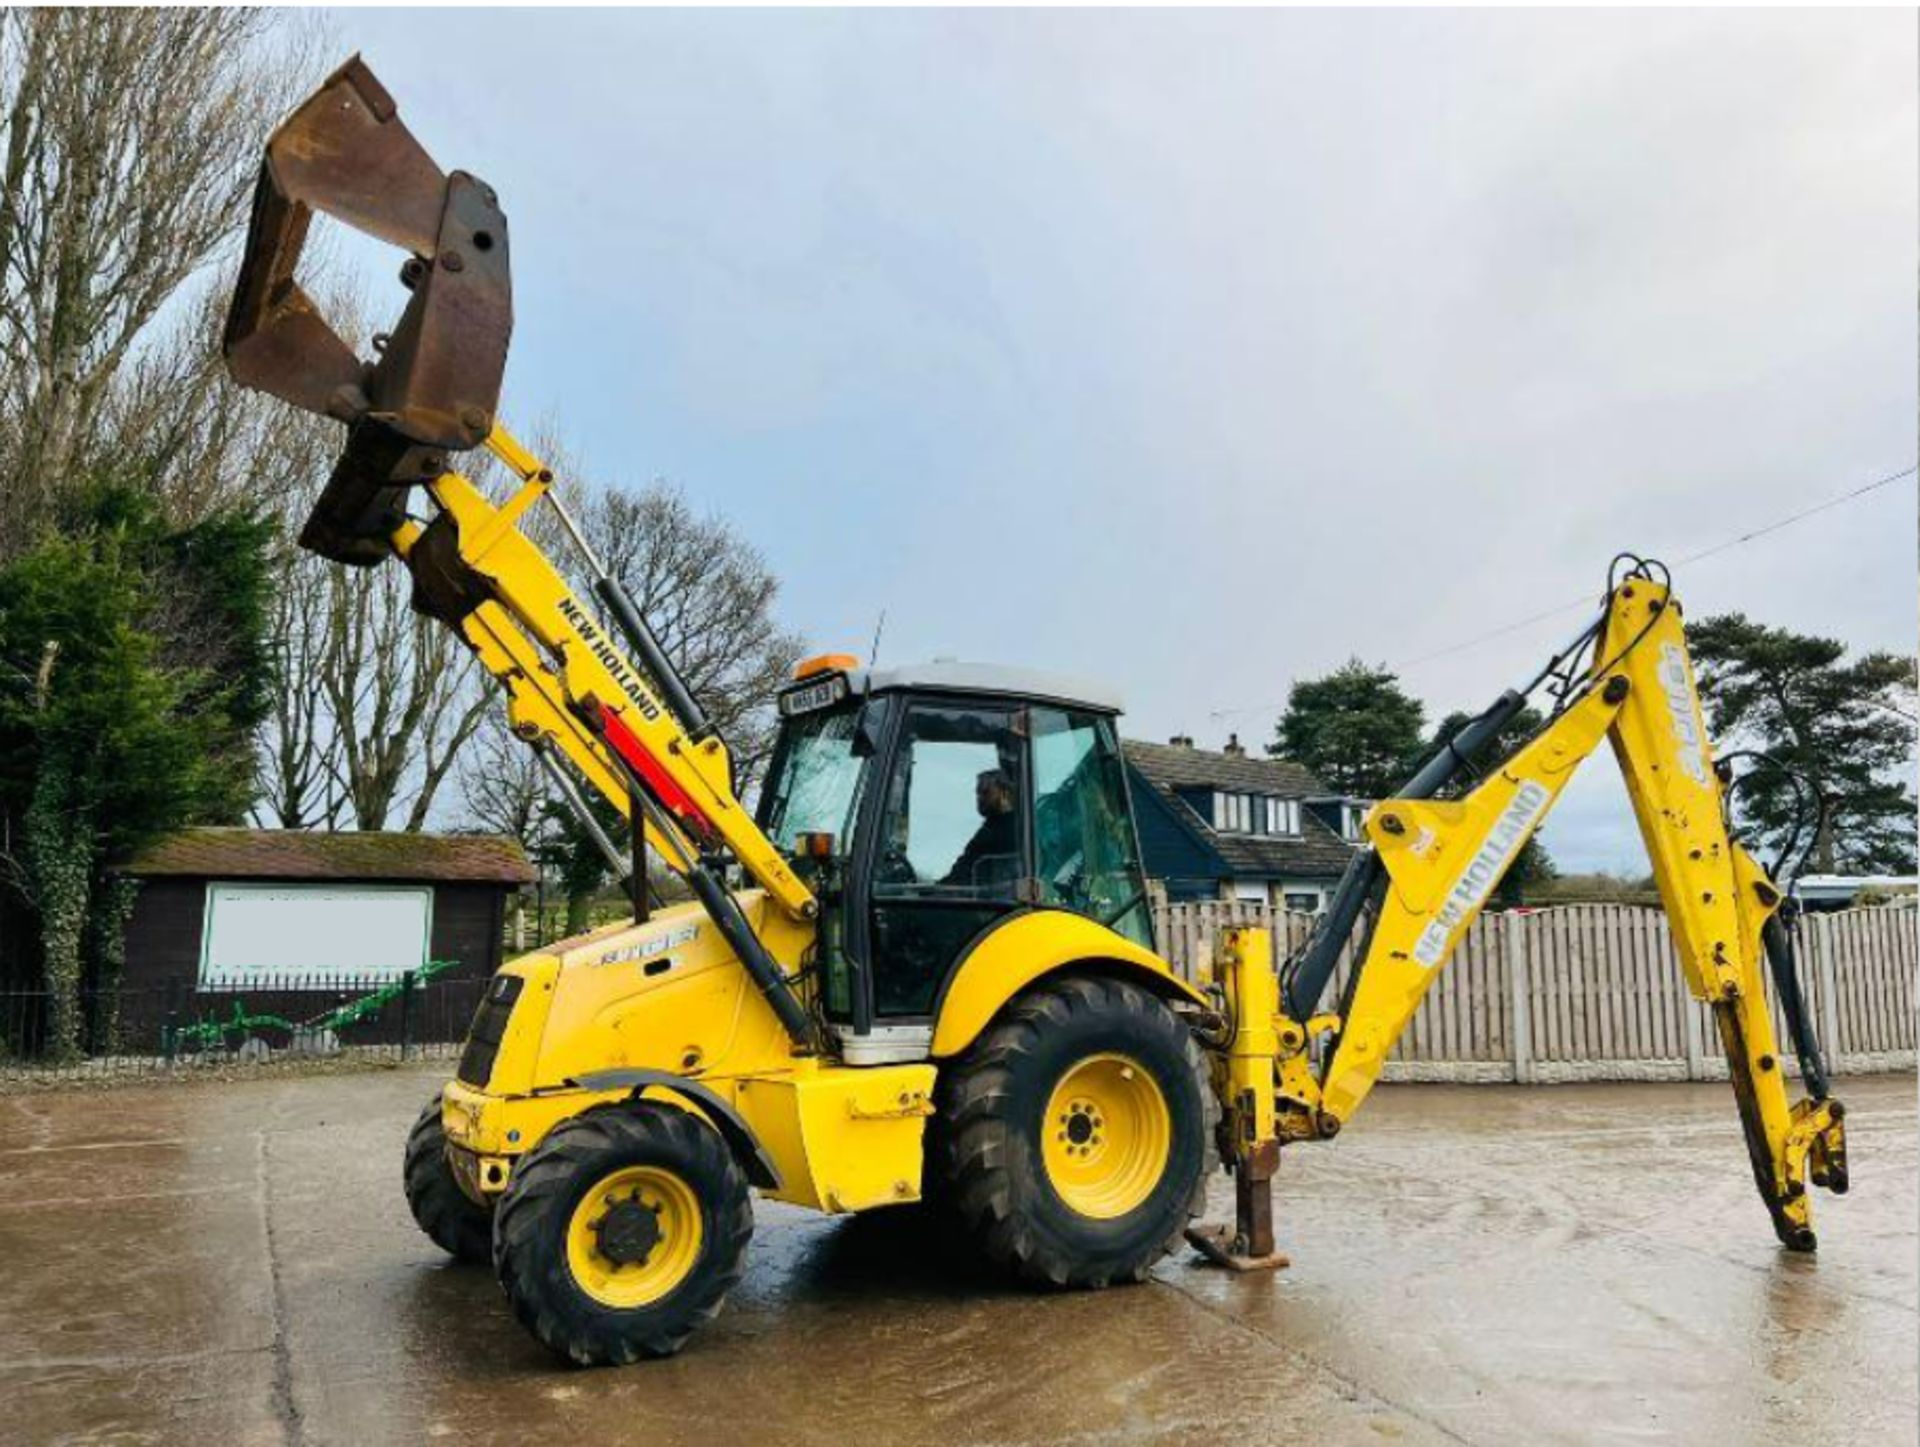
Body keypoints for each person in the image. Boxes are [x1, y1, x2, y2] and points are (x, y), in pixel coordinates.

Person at [942, 767, 1019, 889]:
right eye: (977, 793)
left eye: (985, 792)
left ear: (1004, 793)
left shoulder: (1011, 831)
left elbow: (964, 875)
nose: (979, 799)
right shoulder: (992, 827)